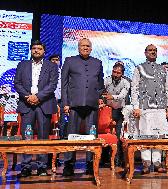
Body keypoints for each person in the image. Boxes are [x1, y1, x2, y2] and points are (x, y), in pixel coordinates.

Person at [14, 40, 59, 177]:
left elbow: (52, 85)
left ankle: (42, 166)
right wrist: (28, 97)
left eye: (39, 48)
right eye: (34, 48)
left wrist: (38, 97)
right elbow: (17, 83)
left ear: (44, 51)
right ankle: (26, 166)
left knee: (43, 136)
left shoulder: (51, 66)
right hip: (27, 104)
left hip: (43, 104)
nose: (36, 50)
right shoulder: (22, 65)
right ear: (31, 50)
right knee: (27, 136)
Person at [61, 38, 104, 176]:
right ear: (78, 47)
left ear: (91, 48)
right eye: (82, 45)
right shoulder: (69, 60)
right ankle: (69, 164)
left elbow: (100, 84)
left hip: (91, 105)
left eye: (88, 46)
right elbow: (64, 84)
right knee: (71, 135)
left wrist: (97, 97)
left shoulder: (97, 62)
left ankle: (91, 164)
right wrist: (65, 103)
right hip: (74, 104)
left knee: (92, 136)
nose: (85, 48)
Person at [131, 44, 168, 174]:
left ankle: (157, 163)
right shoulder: (139, 68)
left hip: (160, 107)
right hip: (144, 107)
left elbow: (167, 89)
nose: (153, 52)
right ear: (145, 53)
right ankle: (146, 164)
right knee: (145, 135)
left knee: (159, 135)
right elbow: (134, 88)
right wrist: (136, 106)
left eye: (155, 51)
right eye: (150, 50)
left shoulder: (163, 69)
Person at [103, 62, 130, 166]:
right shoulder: (106, 80)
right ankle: (104, 159)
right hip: (107, 111)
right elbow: (101, 91)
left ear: (122, 74)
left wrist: (112, 97)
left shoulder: (126, 82)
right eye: (114, 72)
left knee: (119, 135)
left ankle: (118, 160)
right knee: (105, 134)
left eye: (118, 73)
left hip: (119, 111)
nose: (115, 74)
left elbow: (122, 95)